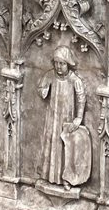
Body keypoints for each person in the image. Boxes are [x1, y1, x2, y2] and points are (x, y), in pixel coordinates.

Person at [37, 45, 87, 187]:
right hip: (52, 117)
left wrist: (78, 118)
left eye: (62, 63)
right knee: (50, 143)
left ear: (68, 63)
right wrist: (43, 90)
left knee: (66, 147)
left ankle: (67, 179)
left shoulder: (74, 80)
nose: (59, 67)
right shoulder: (50, 75)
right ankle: (46, 175)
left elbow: (81, 98)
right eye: (56, 63)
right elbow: (41, 88)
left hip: (67, 118)